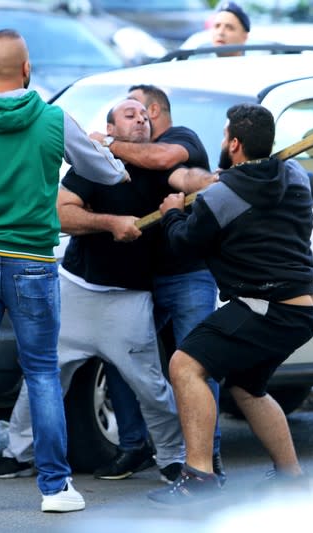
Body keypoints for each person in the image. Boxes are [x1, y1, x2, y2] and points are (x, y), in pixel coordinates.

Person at [0, 29, 128, 515]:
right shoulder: (54, 119)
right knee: (41, 374)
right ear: (27, 69)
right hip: (33, 261)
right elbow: (107, 173)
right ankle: (55, 489)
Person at [0, 98, 186, 486]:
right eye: (130, 115)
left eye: (146, 116)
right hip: (76, 291)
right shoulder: (95, 164)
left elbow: (190, 177)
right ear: (110, 129)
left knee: (151, 387)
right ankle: (19, 453)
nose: (141, 120)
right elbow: (59, 213)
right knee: (42, 377)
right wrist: (111, 222)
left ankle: (173, 458)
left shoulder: (166, 169)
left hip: (130, 300)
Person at [148, 103, 313, 504]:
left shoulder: (220, 197)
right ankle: (291, 478)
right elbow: (305, 184)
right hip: (305, 306)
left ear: (235, 143)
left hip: (269, 306)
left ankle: (199, 480)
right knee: (247, 387)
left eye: (227, 135)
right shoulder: (296, 176)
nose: (223, 141)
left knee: (185, 364)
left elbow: (184, 245)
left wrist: (173, 212)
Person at [88, 84, 224, 483]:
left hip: (187, 276)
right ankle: (134, 446)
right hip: (139, 280)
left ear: (152, 110)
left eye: (138, 110)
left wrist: (107, 141)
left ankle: (208, 458)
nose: (137, 118)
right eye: (126, 113)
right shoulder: (119, 158)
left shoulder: (179, 140)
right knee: (118, 355)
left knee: (198, 363)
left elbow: (171, 163)